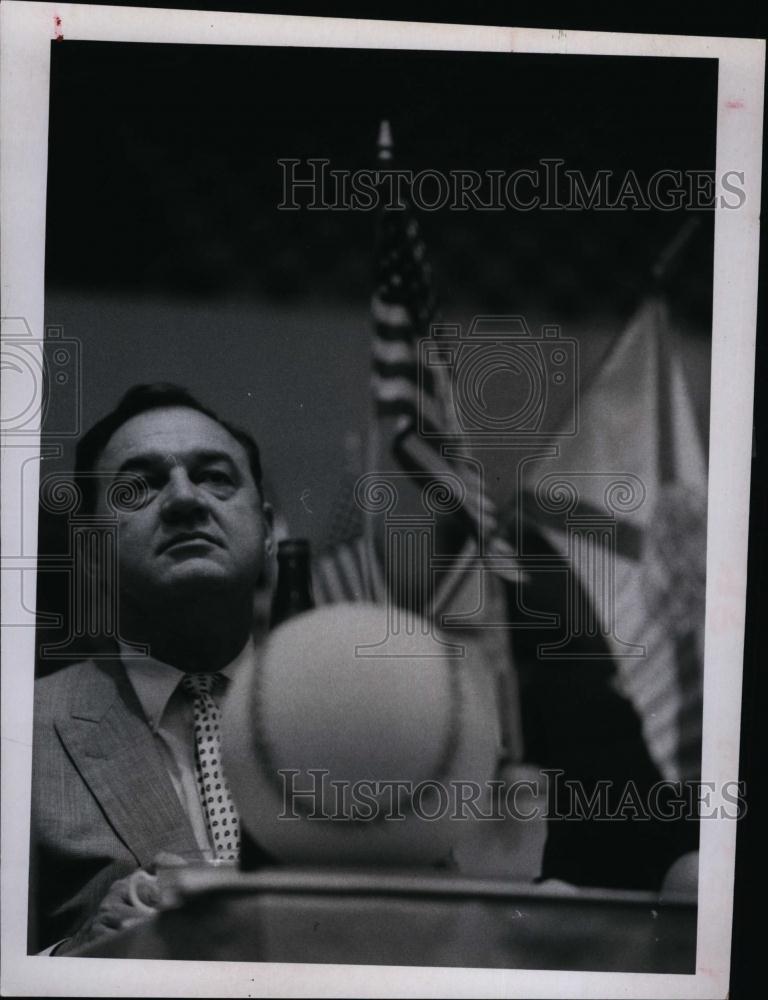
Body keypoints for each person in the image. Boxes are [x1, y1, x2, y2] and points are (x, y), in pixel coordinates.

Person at [30, 383, 276, 955]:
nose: (185, 500)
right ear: (89, 549)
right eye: (139, 487)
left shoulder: (359, 721)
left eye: (215, 475)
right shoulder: (17, 733)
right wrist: (78, 955)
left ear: (266, 532)